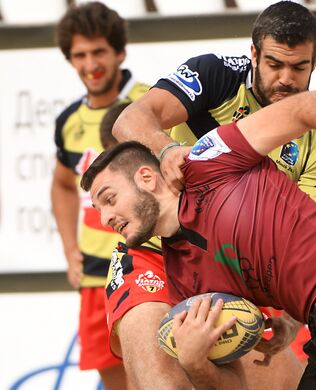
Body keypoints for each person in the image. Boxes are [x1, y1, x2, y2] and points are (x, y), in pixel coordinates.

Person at [82, 90, 316, 390]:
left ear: (146, 177)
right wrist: (195, 363)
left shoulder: (208, 159)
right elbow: (233, 386)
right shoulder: (183, 278)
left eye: (109, 198)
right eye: (97, 209)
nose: (105, 218)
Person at [109, 0, 316, 365]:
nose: (285, 78)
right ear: (253, 54)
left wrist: (290, 318)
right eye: (273, 64)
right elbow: (130, 120)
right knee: (163, 376)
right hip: (158, 253)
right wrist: (168, 148)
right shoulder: (217, 75)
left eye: (298, 67)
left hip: (237, 278)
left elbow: (311, 243)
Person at [99, 103, 305, 389]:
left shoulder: (310, 152)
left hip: (216, 252)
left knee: (286, 381)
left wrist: (293, 321)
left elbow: (300, 249)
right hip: (149, 257)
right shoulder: (188, 94)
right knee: (162, 381)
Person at [50, 2, 150, 388]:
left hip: (148, 261)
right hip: (96, 273)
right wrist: (69, 249)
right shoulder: (69, 121)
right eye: (80, 55)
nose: (90, 63)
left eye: (98, 52)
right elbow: (61, 184)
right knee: (116, 382)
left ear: (119, 52)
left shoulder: (151, 101)